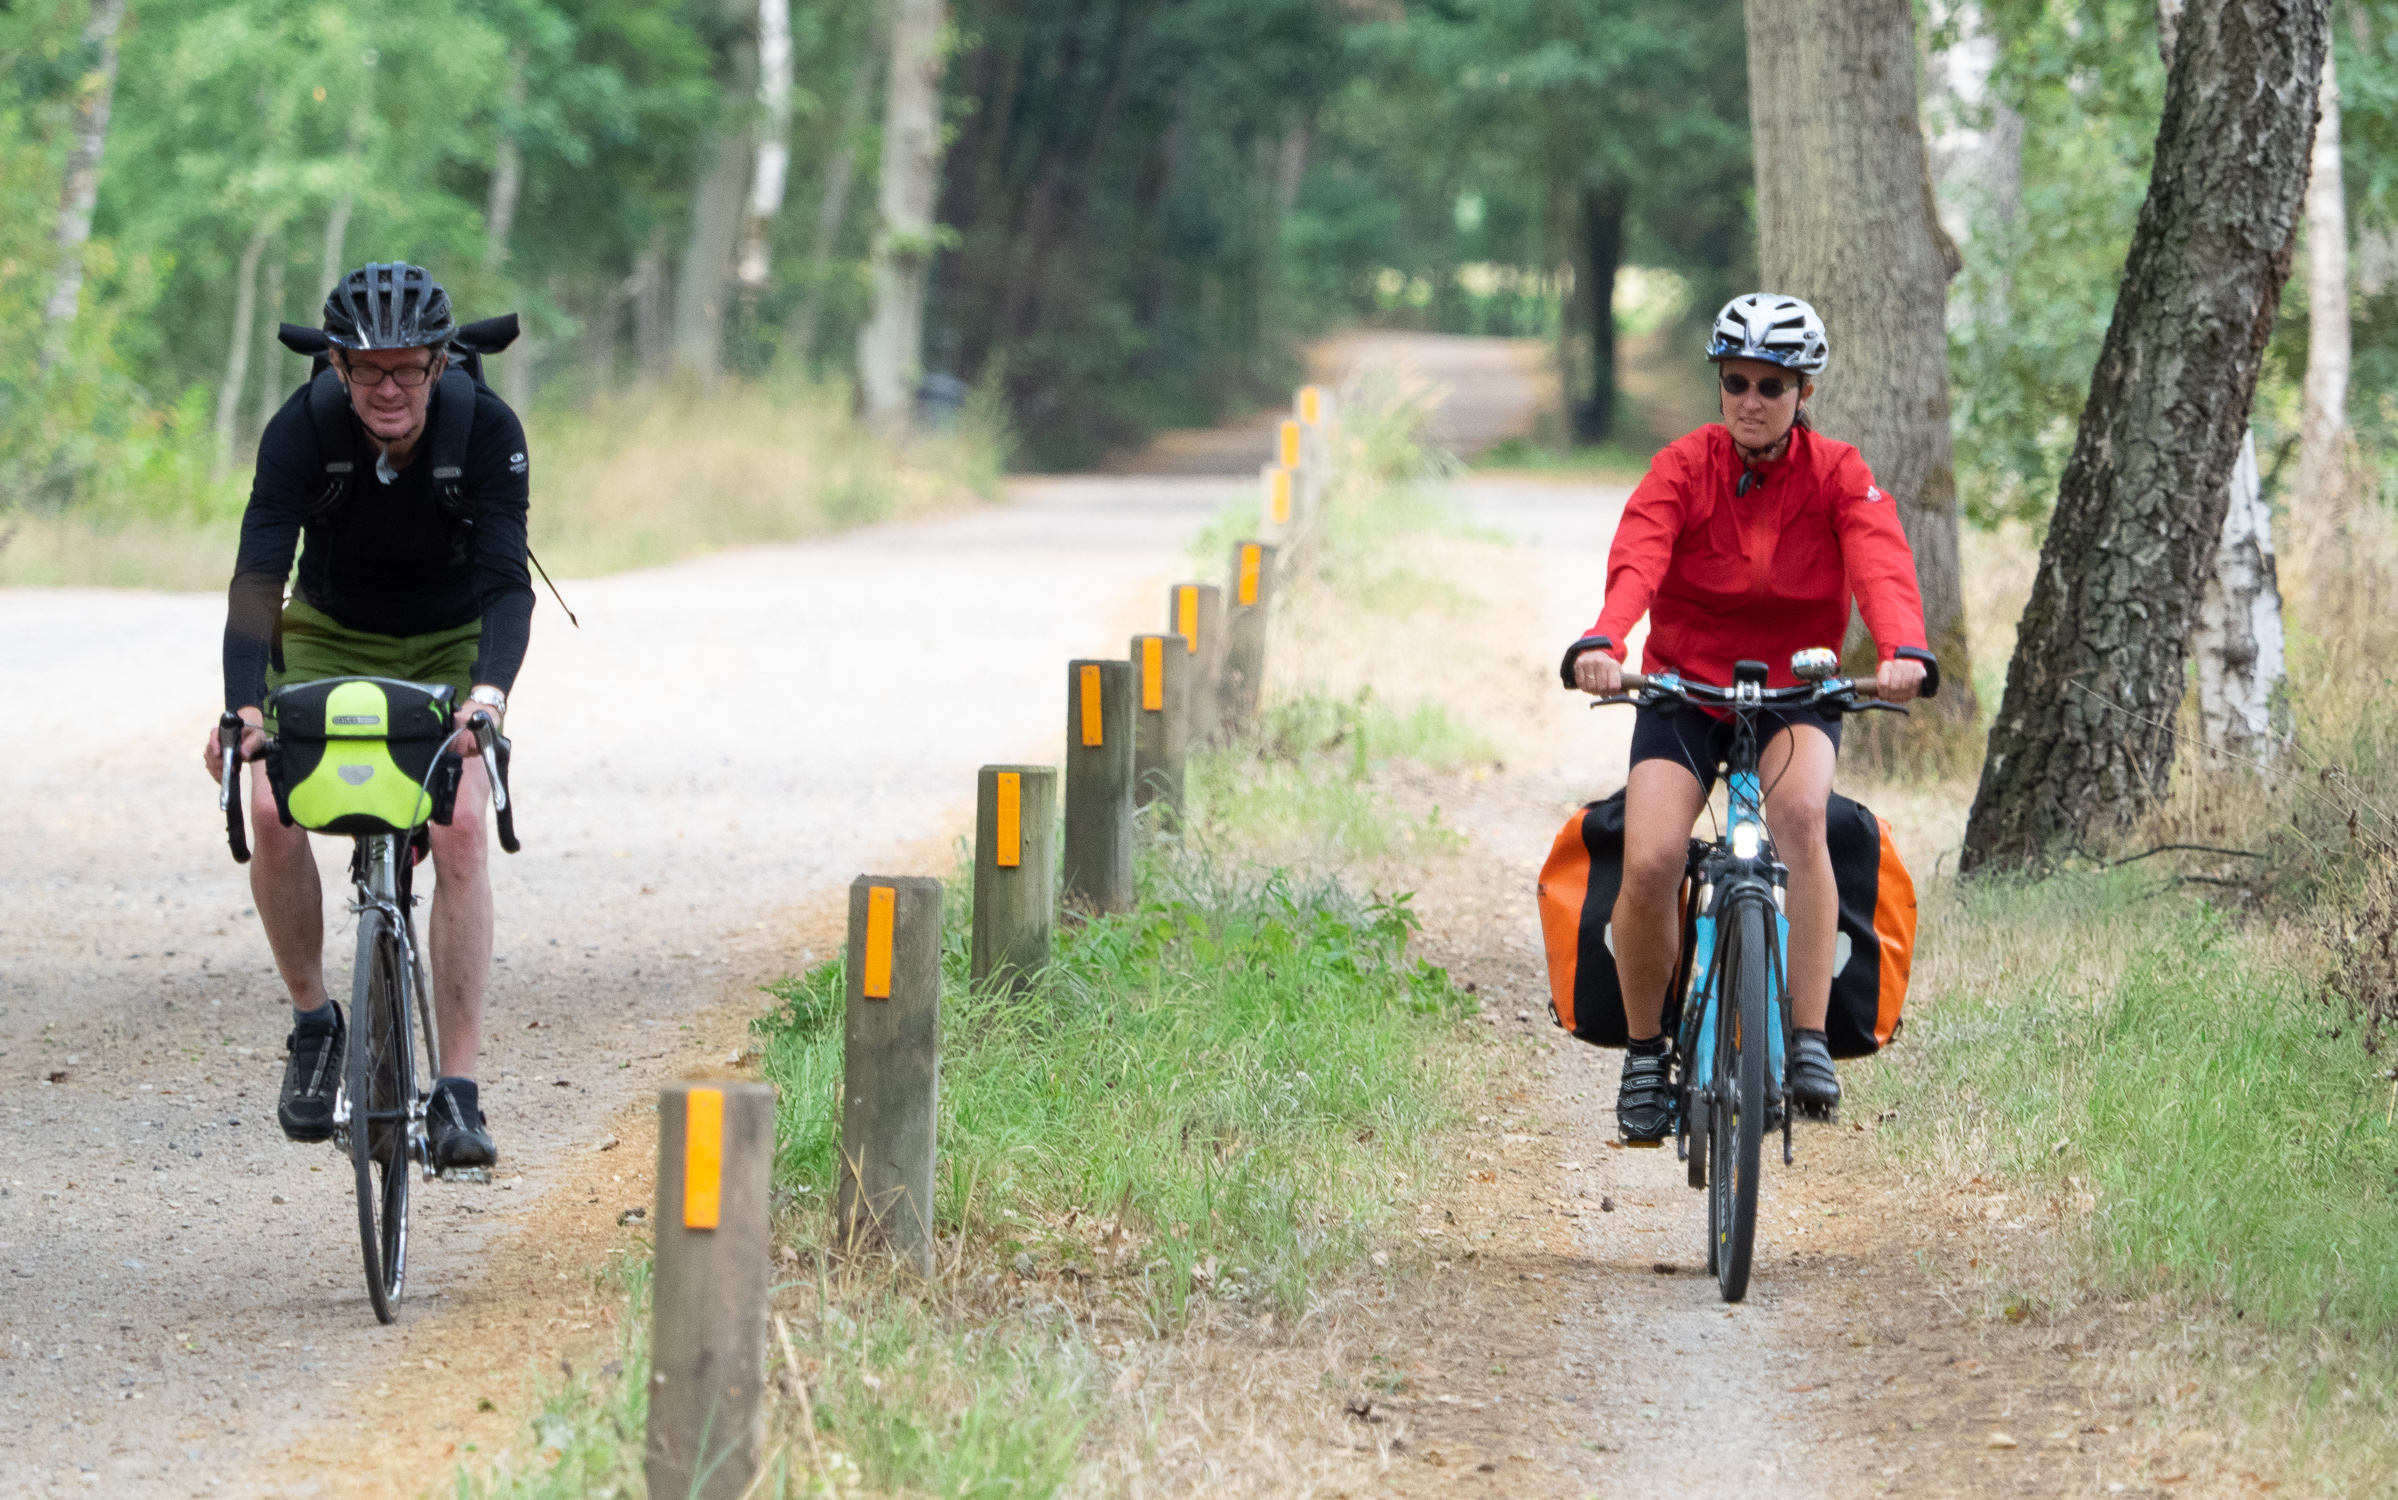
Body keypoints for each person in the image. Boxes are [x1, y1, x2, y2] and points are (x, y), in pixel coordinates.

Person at [1559, 293, 1937, 1143]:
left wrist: (1902, 650)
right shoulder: (1683, 467)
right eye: (1736, 382)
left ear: (1804, 392)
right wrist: (1605, 639)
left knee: (1802, 818)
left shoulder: (1838, 472)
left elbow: (1880, 561)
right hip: (1684, 692)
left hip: (1797, 694)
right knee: (1651, 858)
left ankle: (1808, 1040)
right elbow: (1639, 556)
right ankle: (1646, 1056)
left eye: (1772, 385)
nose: (1751, 401)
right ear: (1720, 384)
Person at [199, 262, 533, 1171]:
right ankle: (316, 1021)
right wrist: (242, 709)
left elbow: (507, 586)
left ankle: (457, 1091)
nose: (390, 389)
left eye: (408, 369)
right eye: (369, 370)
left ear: (437, 364)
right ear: (339, 368)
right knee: (270, 804)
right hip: (329, 632)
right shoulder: (303, 429)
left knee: (461, 825)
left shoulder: (485, 428)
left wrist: (487, 698)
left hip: (452, 638)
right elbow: (258, 580)